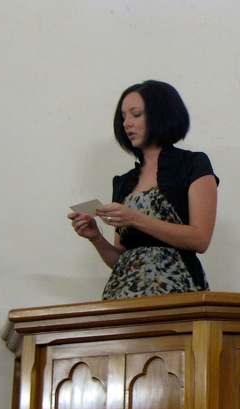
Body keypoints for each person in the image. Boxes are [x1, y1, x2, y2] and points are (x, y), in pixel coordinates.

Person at [68, 80, 219, 300]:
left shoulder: (193, 164)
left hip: (177, 290)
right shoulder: (124, 182)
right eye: (123, 117)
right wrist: (96, 238)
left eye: (136, 114)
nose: (126, 123)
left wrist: (134, 218)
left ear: (161, 114)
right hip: (123, 294)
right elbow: (121, 259)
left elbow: (200, 239)